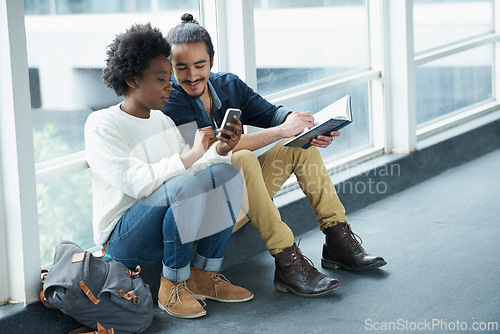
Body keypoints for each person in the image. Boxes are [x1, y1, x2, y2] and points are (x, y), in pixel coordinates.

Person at [162, 14, 387, 297]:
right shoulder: (170, 101)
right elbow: (214, 152)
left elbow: (272, 113)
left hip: (239, 201)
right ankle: (286, 261)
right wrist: (283, 130)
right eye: (181, 68)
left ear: (212, 60)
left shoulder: (228, 85)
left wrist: (307, 126)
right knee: (240, 158)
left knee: (301, 148)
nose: (192, 75)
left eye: (199, 65)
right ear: (170, 66)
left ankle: (337, 241)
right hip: (204, 218)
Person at [84, 22, 253, 320]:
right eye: (162, 78)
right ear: (133, 80)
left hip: (167, 222)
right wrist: (191, 155)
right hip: (124, 240)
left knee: (225, 175)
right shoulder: (102, 124)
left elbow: (196, 170)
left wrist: (220, 152)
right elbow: (137, 182)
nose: (170, 86)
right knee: (182, 186)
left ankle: (204, 276)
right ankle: (172, 285)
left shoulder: (162, 121)